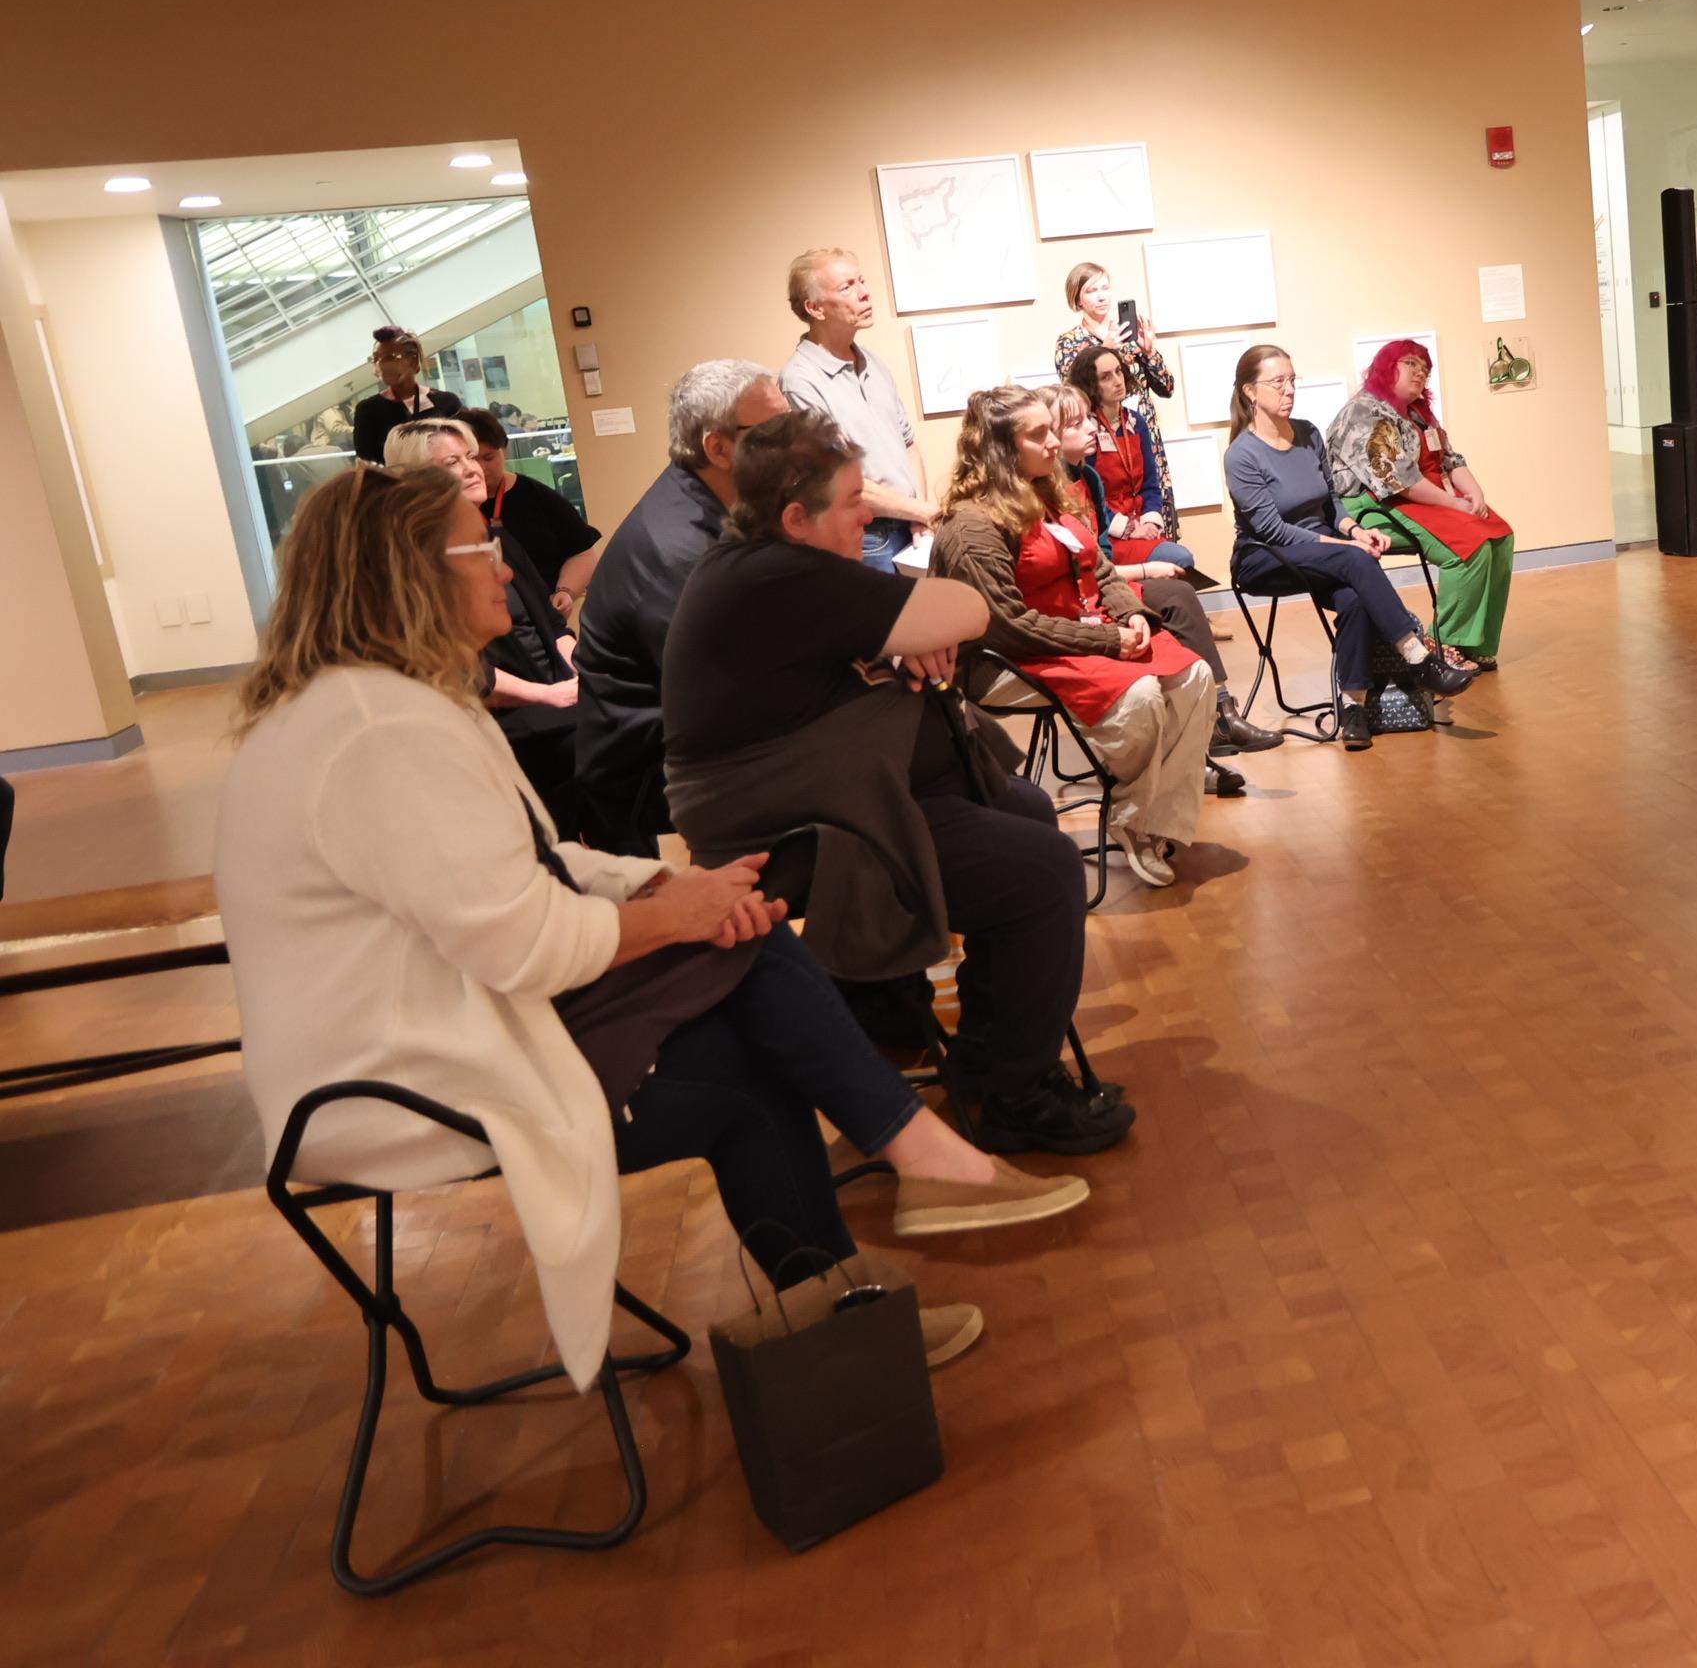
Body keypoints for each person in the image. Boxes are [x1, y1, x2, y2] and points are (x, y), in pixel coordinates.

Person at [215, 466, 1089, 1393]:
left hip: (436, 1026)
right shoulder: (377, 732)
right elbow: (522, 940)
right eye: (485, 549)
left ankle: (872, 1256)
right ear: (411, 573)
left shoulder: (376, 707)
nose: (509, 574)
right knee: (747, 1045)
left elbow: (535, 864)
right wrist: (678, 910)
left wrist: (667, 883)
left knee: (742, 969)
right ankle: (895, 1211)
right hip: (401, 1085)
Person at [659, 410, 1132, 1155]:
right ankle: (1012, 1093)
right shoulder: (781, 575)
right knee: (1042, 872)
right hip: (790, 825)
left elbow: (888, 633)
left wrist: (906, 642)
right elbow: (969, 608)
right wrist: (917, 635)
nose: (868, 513)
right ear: (794, 517)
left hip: (820, 792)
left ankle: (967, 1036)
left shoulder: (757, 563)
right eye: (853, 500)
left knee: (1028, 807)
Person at [932, 388, 1219, 888]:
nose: (1051, 442)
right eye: (1037, 434)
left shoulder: (1046, 493)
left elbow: (1101, 569)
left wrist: (1131, 615)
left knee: (1194, 676)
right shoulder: (972, 525)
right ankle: (1135, 819)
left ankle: (1148, 819)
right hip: (1014, 658)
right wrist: (1109, 641)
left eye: (1051, 429)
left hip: (1084, 636)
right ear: (1002, 448)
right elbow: (1009, 625)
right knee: (1142, 695)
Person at [573, 361, 783, 857]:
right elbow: (740, 689)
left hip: (706, 739)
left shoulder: (730, 500)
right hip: (648, 779)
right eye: (776, 429)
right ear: (719, 448)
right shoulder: (677, 549)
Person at [1223, 344, 1475, 752]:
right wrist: (1341, 544)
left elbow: (1331, 502)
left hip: (1323, 550)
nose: (1289, 390)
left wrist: (1353, 529)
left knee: (1356, 598)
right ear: (1251, 392)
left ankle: (1352, 706)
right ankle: (1417, 656)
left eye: (1292, 380)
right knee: (1351, 558)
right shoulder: (1241, 455)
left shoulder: (1306, 433)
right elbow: (1273, 530)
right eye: (1277, 382)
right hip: (1264, 557)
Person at [1045, 380, 1279, 772]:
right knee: (1172, 592)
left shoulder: (1089, 478)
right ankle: (1197, 732)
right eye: (1076, 423)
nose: (1090, 428)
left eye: (1089, 418)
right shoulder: (1046, 491)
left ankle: (1218, 711)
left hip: (1105, 581)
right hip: (1080, 597)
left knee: (1178, 593)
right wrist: (1142, 569)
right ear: (1050, 436)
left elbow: (1101, 555)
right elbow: (1080, 571)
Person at [383, 418, 592, 837]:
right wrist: (550, 695)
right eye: (451, 463)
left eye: (472, 457)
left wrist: (577, 676)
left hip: (552, 698)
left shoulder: (497, 537)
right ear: (414, 480)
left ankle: (643, 882)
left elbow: (552, 626)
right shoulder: (417, 564)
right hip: (502, 718)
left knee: (619, 729)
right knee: (595, 757)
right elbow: (461, 670)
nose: (471, 469)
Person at [1324, 339, 1517, 671]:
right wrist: (1455, 504)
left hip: (1421, 498)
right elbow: (1397, 481)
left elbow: (1451, 459)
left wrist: (1475, 493)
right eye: (1410, 363)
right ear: (1387, 367)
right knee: (1467, 549)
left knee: (1499, 535)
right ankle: (1446, 645)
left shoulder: (1418, 413)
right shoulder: (1366, 410)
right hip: (1370, 505)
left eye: (1424, 366)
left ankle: (1478, 642)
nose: (1420, 371)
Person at [778, 248, 933, 572]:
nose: (864, 293)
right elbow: (835, 481)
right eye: (847, 287)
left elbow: (908, 443)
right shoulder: (800, 380)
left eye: (861, 281)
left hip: (910, 526)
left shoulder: (872, 361)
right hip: (868, 536)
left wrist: (918, 512)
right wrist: (921, 511)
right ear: (815, 307)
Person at [458, 406, 600, 614]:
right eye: (471, 459)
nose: (480, 469)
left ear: (503, 450)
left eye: (488, 458)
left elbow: (582, 553)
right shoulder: (446, 511)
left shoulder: (539, 497)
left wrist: (565, 591)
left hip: (540, 614)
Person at [1063, 341, 1185, 567]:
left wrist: (1150, 523)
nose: (1118, 381)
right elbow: (1090, 497)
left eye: (1119, 371)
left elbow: (1150, 485)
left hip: (1142, 524)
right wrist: (1128, 528)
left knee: (1179, 561)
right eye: (1106, 377)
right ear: (1091, 384)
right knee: (1179, 558)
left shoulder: (1136, 422)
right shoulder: (1088, 430)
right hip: (1109, 530)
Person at [1052, 262, 1174, 439]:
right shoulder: (1070, 342)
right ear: (1078, 299)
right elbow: (1074, 396)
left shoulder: (1127, 335)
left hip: (1143, 433)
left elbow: (1167, 389)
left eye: (1105, 288)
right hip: (1104, 436)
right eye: (1092, 291)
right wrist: (1103, 352)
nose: (1101, 296)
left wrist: (1149, 353)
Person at [349, 327, 462, 463]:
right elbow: (367, 459)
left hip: (445, 480)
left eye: (390, 358)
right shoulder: (368, 409)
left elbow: (465, 445)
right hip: (397, 482)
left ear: (413, 361)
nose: (381, 365)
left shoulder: (446, 402)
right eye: (376, 359)